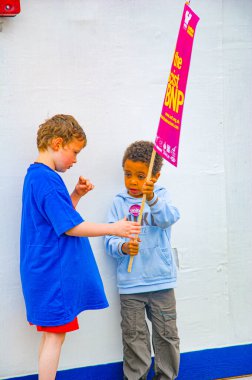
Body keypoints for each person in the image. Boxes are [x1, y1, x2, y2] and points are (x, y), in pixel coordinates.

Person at [20, 114, 141, 380]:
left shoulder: (37, 177)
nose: (75, 160)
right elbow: (70, 227)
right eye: (74, 152)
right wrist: (114, 228)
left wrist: (75, 195)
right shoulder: (47, 180)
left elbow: (57, 220)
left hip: (44, 271)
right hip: (53, 275)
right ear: (57, 143)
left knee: (51, 337)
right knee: (54, 338)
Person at [105, 141, 180, 380]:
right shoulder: (119, 202)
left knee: (167, 336)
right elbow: (108, 241)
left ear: (155, 176)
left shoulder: (161, 196)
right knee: (134, 338)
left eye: (140, 175)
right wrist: (124, 247)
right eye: (128, 174)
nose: (133, 182)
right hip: (131, 285)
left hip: (161, 282)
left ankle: (166, 377)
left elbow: (170, 218)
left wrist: (152, 200)